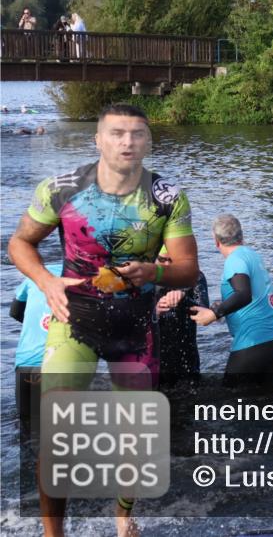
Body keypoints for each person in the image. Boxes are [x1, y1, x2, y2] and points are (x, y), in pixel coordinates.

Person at [7, 102, 199, 537]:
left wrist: (154, 272)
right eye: (116, 133)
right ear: (98, 140)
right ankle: (53, 535)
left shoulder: (168, 197)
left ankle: (122, 514)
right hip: (73, 323)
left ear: (149, 142)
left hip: (135, 330)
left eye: (136, 133)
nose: (127, 141)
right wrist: (45, 282)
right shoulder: (62, 188)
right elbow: (20, 243)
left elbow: (188, 267)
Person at [190, 214, 273, 385]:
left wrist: (214, 313)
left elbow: (243, 294)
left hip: (252, 343)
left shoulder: (235, 260)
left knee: (231, 403)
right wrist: (223, 308)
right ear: (242, 236)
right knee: (269, 402)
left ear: (216, 241)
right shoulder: (253, 256)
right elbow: (252, 294)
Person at [9, 263, 62, 424]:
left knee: (26, 433)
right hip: (63, 366)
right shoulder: (88, 279)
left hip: (27, 364)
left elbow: (15, 312)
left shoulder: (35, 275)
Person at [154, 246, 207, 386]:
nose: (166, 265)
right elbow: (132, 323)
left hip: (187, 357)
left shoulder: (195, 277)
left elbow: (204, 314)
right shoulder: (146, 282)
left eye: (172, 260)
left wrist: (184, 299)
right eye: (162, 260)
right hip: (156, 360)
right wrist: (155, 312)